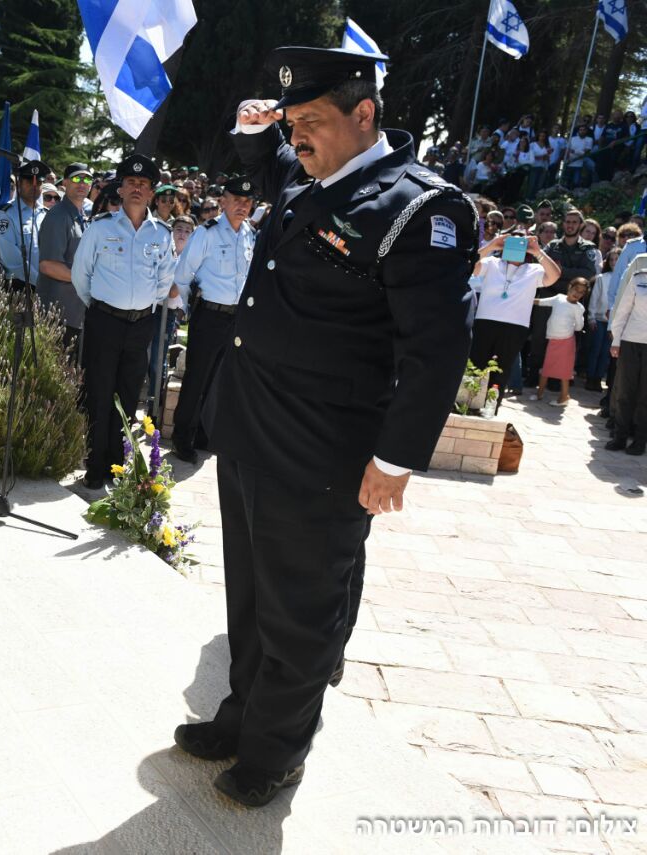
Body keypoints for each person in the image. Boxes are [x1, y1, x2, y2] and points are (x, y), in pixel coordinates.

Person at [173, 46, 475, 808]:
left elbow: (435, 354)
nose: (296, 137)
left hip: (322, 457)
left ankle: (276, 753)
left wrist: (396, 461)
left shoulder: (418, 209)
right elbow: (267, 154)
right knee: (249, 600)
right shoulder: (306, 176)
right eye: (292, 122)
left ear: (365, 115)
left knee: (301, 613)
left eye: (310, 122)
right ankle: (244, 716)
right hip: (250, 433)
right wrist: (257, 129)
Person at [71, 153, 174, 490]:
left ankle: (117, 465)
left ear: (151, 192)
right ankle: (95, 466)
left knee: (129, 397)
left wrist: (141, 307)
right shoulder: (101, 227)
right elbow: (80, 275)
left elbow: (163, 280)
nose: (136, 188)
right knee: (99, 393)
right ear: (122, 186)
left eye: (143, 184)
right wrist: (101, 308)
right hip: (105, 321)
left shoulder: (161, 233)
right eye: (131, 182)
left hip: (140, 325)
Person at [168, 176, 257, 464]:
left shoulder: (248, 234)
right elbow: (183, 275)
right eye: (237, 200)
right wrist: (190, 309)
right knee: (196, 379)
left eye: (247, 202)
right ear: (223, 201)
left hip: (235, 319)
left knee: (220, 380)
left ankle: (204, 435)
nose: (242, 206)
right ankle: (183, 438)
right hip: (208, 314)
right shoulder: (207, 232)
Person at [470, 231, 561, 393]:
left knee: (500, 371)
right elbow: (469, 264)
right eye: (511, 242)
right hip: (485, 322)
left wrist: (537, 251)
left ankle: (490, 408)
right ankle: (467, 406)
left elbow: (555, 276)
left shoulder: (534, 269)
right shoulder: (491, 262)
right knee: (475, 366)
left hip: (515, 327)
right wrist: (492, 245)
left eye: (521, 244)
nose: (516, 247)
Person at [532, 210, 599, 385]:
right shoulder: (553, 246)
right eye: (567, 221)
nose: (570, 225)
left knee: (564, 339)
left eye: (574, 222)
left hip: (572, 300)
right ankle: (534, 374)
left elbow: (589, 273)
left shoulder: (588, 248)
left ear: (580, 225)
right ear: (563, 224)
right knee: (539, 335)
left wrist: (561, 271)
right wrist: (566, 272)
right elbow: (541, 266)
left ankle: (556, 378)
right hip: (549, 294)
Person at [37, 163, 94, 358]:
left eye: (87, 179)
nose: (82, 183)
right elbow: (48, 265)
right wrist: (86, 281)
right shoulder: (58, 216)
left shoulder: (82, 217)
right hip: (57, 315)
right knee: (51, 378)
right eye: (77, 178)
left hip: (75, 314)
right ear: (66, 183)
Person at [608, 252, 647, 454]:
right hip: (631, 341)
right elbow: (623, 310)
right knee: (625, 392)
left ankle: (640, 441)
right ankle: (619, 437)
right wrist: (616, 340)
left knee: (645, 397)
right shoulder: (640, 277)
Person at [531, 279, 589, 406]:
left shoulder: (579, 308)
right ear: (569, 287)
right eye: (576, 289)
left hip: (567, 342)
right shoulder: (558, 298)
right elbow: (542, 302)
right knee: (546, 368)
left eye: (582, 292)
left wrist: (579, 318)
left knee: (565, 372)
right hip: (553, 340)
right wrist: (527, 299)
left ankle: (564, 396)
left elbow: (579, 327)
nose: (578, 294)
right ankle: (539, 394)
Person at [0, 160, 48, 286]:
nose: (34, 186)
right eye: (29, 182)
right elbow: (11, 260)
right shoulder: (7, 215)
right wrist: (40, 282)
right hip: (19, 286)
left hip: (46, 286)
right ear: (19, 184)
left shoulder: (46, 214)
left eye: (38, 183)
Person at [587, 248, 620, 391]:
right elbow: (594, 298)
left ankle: (598, 378)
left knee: (606, 351)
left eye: (616, 259)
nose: (613, 262)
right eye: (611, 259)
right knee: (596, 349)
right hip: (599, 320)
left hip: (614, 323)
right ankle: (590, 378)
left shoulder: (625, 279)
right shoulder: (602, 278)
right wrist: (591, 318)